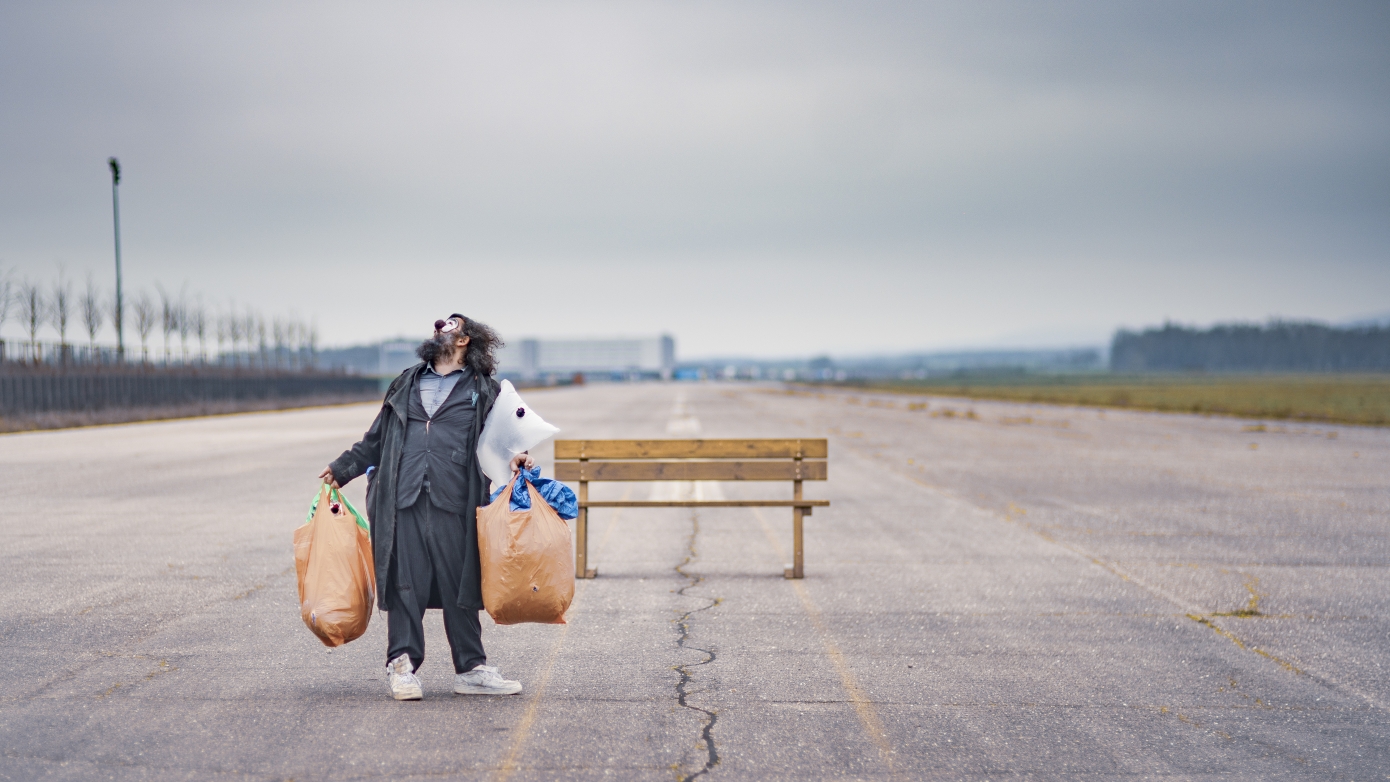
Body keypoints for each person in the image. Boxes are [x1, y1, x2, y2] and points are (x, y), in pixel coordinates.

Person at [318, 314, 534, 700]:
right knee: (405, 585)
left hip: (456, 501)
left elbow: (504, 441)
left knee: (461, 586)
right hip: (403, 499)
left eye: (450, 324)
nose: (440, 327)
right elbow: (377, 438)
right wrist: (343, 468)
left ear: (466, 339)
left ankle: (470, 669)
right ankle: (401, 666)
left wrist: (517, 457)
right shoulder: (405, 383)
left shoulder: (484, 390)